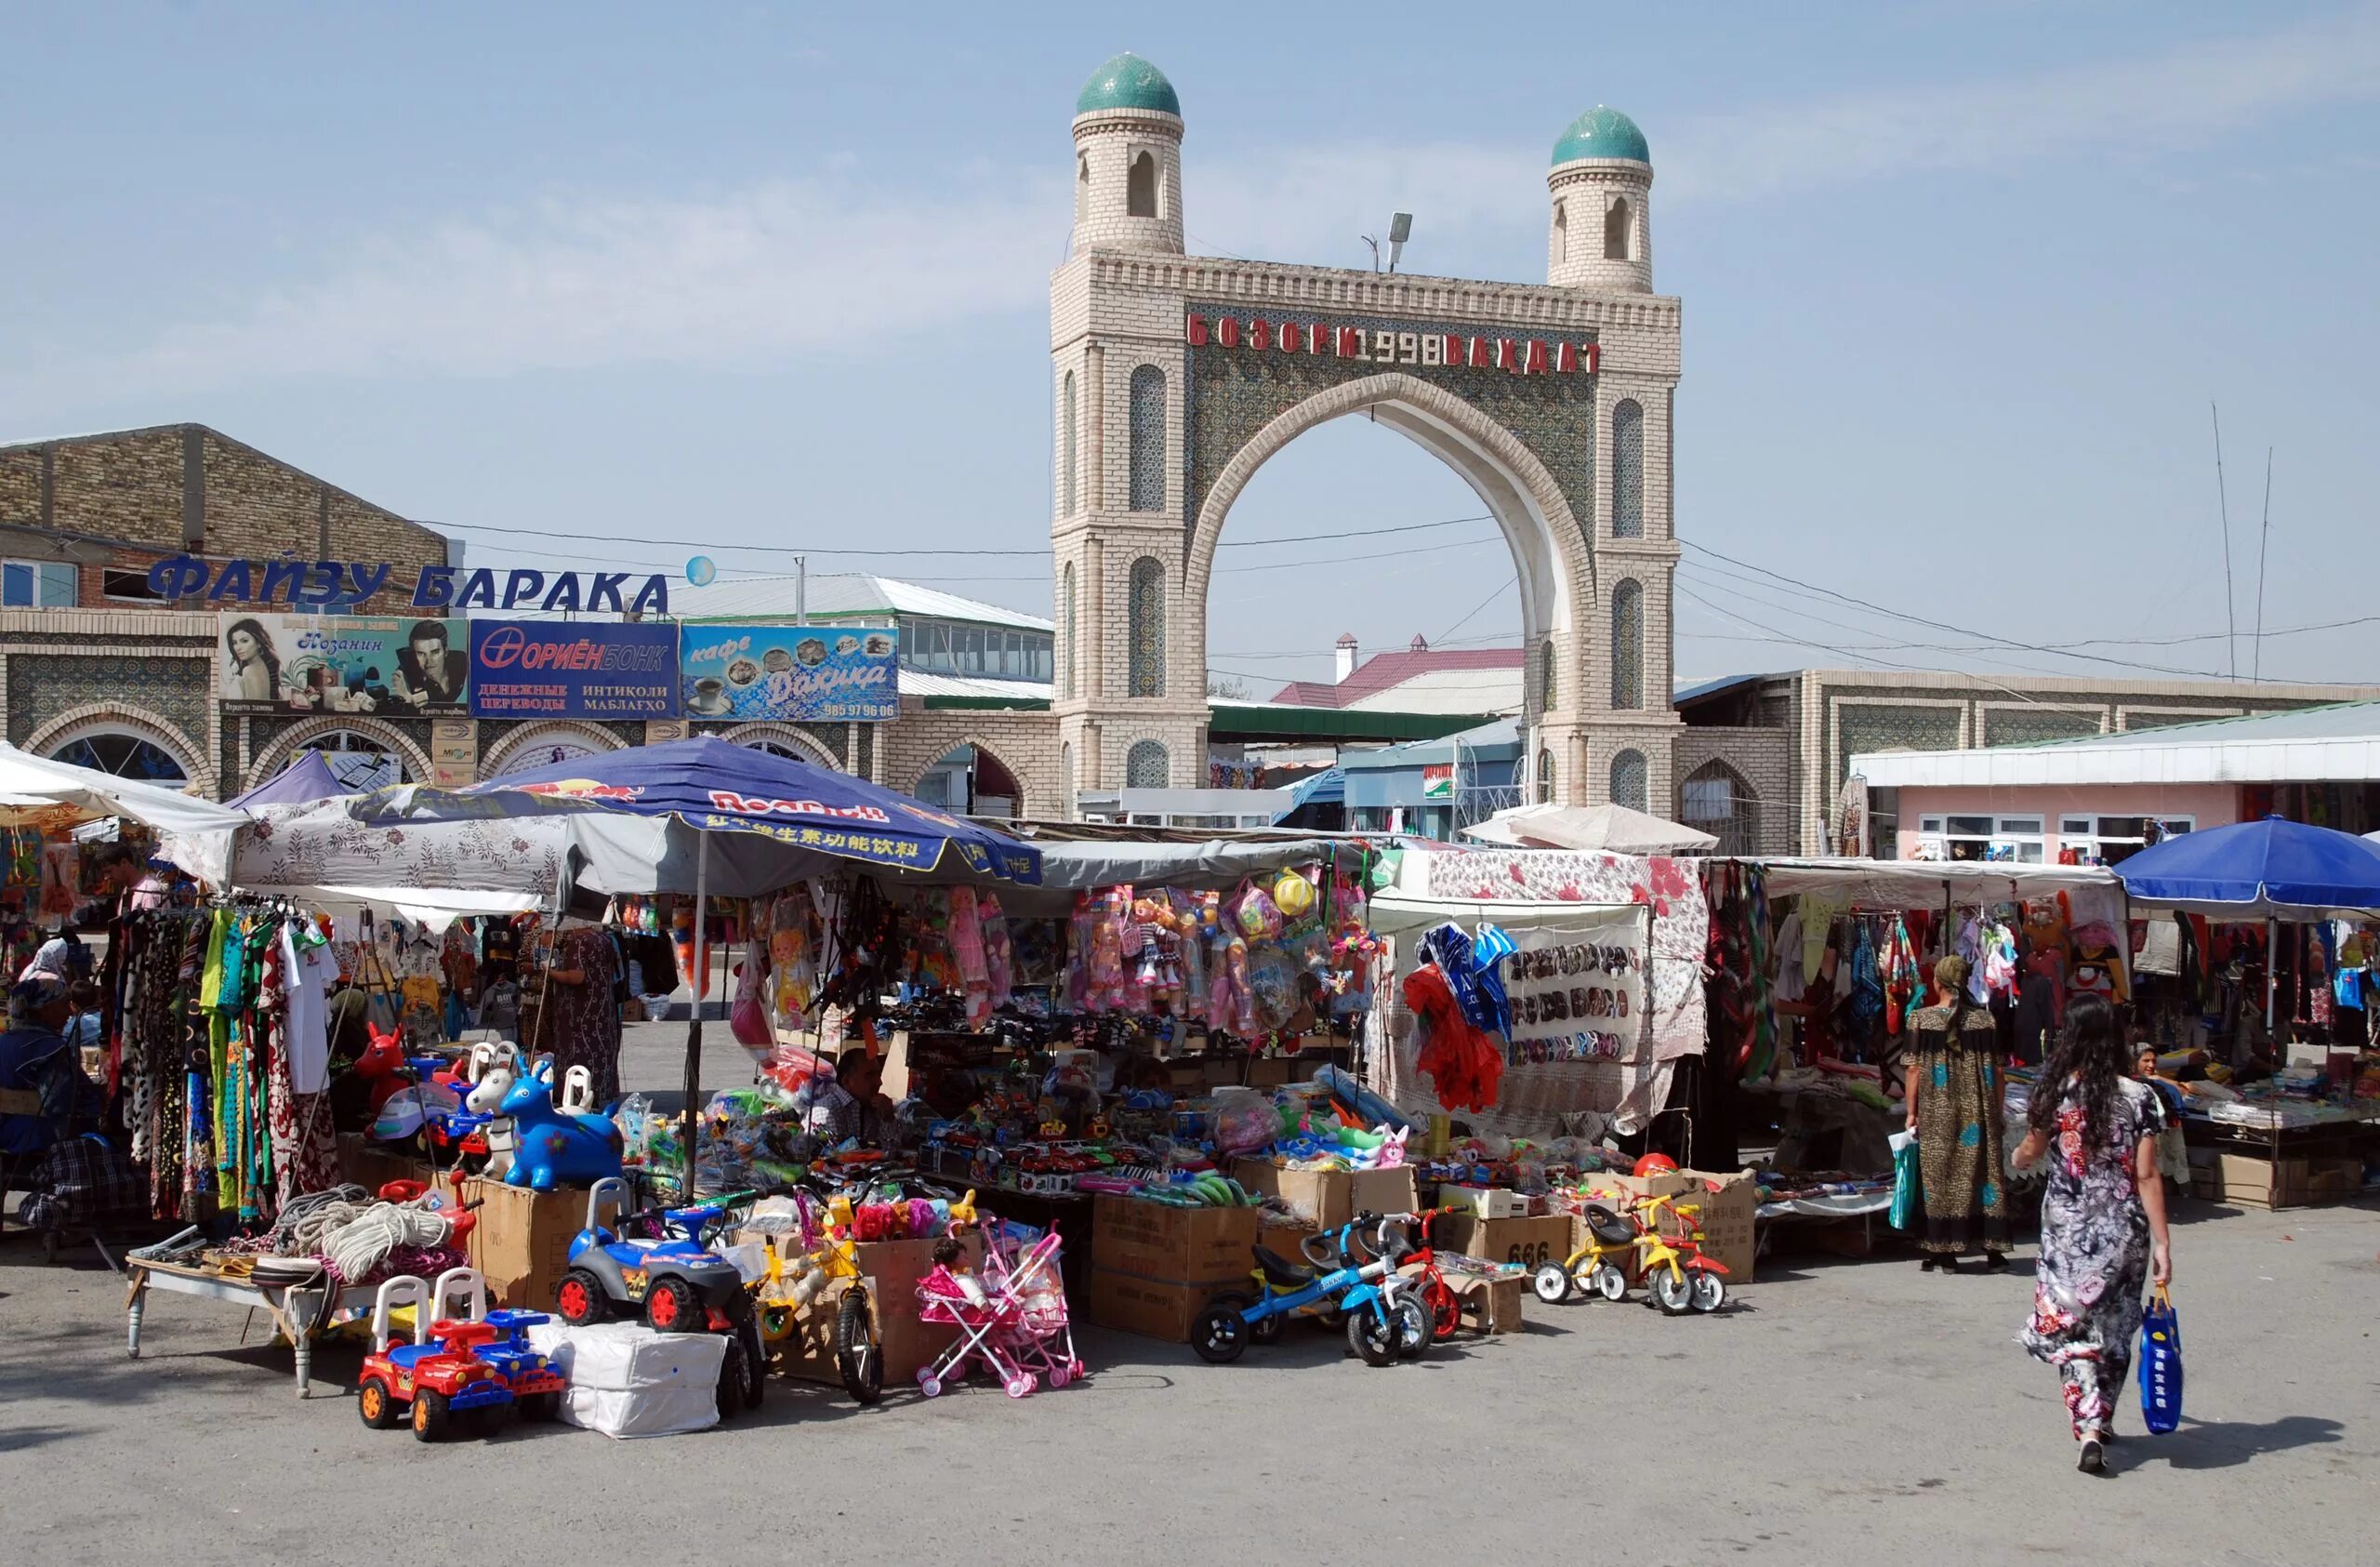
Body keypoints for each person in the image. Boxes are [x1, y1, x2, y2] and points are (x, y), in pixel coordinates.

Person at [2015, 994, 2174, 1474]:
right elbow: (2147, 1176)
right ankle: (2101, 1418)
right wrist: (2164, 1243)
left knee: (2071, 1328)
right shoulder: (2141, 1096)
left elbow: (2030, 1151)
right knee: (2118, 1326)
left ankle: (2087, 1425)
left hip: (2067, 1230)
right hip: (2124, 1229)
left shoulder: (2055, 1091)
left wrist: (2018, 1158)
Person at [1902, 953, 2011, 1272]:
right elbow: (2000, 1072)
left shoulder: (1920, 1019)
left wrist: (1911, 1113)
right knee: (1985, 1176)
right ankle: (1994, 1253)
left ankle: (1945, 1251)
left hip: (1938, 1110)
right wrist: (1998, 1112)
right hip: (1980, 1109)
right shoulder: (1986, 1021)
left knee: (1940, 1176)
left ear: (1937, 983)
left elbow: (1913, 1071)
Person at [0, 975, 103, 1156]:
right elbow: (61, 1104)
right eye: (64, 1005)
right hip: (41, 1141)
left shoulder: (3, 1042)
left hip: (6, 1135)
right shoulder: (52, 1049)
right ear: (44, 1010)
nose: (70, 1012)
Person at [535, 924, 622, 1103]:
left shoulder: (580, 942)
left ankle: (576, 1096)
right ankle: (598, 1094)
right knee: (600, 1052)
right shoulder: (603, 938)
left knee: (580, 1055)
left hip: (581, 1013)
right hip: (602, 1008)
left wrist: (551, 972)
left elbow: (576, 976)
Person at [388, 619, 467, 709]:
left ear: (445, 652)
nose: (428, 661)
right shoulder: (407, 678)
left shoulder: (461, 662)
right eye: (421, 653)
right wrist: (407, 699)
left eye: (435, 652)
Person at [223, 617, 283, 700]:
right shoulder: (261, 666)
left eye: (244, 641)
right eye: (234, 642)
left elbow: (254, 709)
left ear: (259, 643)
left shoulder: (249, 671)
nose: (238, 648)